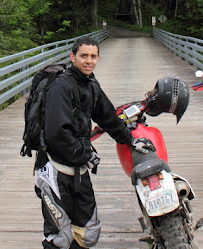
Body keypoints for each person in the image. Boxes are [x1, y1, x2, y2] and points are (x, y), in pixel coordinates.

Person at [34, 35, 154, 249]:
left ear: (98, 58)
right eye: (83, 56)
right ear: (73, 57)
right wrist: (86, 153)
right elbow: (56, 134)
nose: (88, 61)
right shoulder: (61, 87)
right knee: (59, 236)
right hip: (56, 168)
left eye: (93, 56)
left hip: (79, 168)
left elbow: (108, 117)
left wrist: (130, 140)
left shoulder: (90, 85)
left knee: (87, 232)